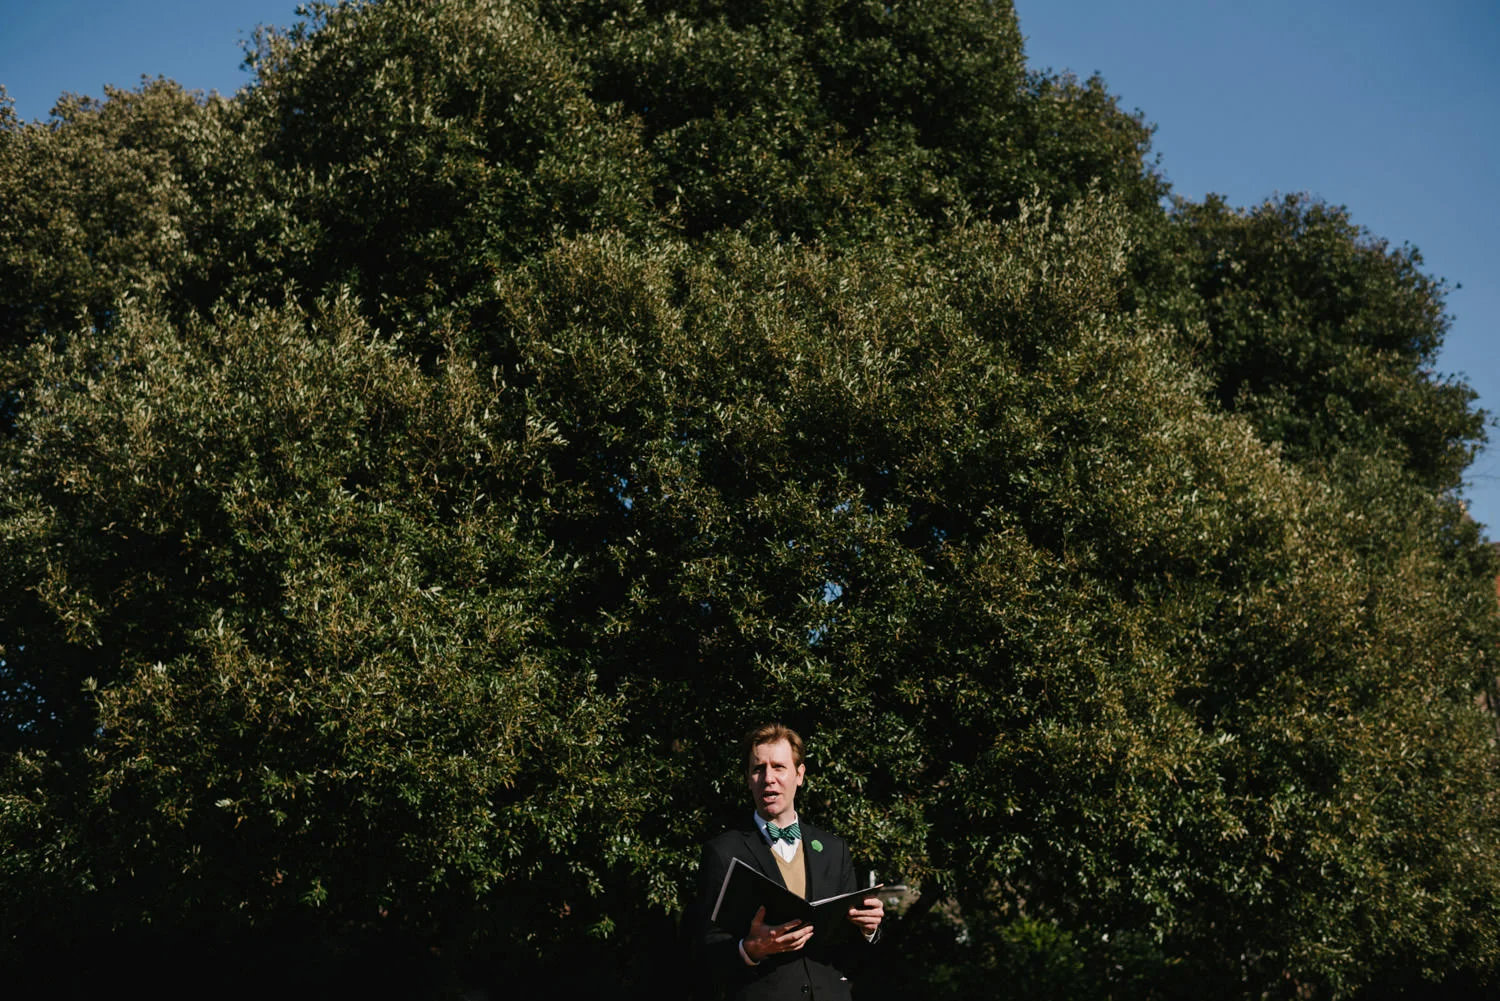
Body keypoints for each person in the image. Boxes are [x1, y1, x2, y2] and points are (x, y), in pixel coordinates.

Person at [692, 724, 884, 1000]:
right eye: (758, 769)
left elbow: (852, 954)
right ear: (748, 779)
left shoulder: (834, 849)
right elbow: (705, 948)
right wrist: (750, 950)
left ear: (800, 775)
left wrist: (869, 929)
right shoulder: (723, 852)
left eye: (779, 767)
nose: (768, 778)